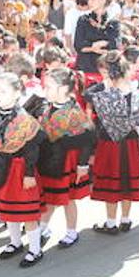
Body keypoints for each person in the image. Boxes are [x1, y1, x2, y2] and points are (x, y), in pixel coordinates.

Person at [0, 72, 47, 267]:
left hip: (20, 169)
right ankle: (15, 242)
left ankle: (35, 249)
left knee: (27, 213)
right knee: (8, 209)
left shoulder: (24, 119)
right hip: (2, 168)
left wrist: (28, 174)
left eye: (3, 91)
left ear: (17, 92)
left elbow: (32, 148)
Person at [87, 51, 139, 233]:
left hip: (109, 143)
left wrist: (105, 84)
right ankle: (125, 219)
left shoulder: (103, 95)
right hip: (130, 143)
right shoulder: (136, 93)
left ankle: (111, 223)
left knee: (112, 182)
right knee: (127, 181)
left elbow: (87, 95)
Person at [37, 66, 96, 249]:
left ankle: (71, 231)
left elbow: (88, 138)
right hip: (51, 159)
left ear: (63, 89)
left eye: (48, 87)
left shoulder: (74, 111)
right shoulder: (49, 107)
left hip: (66, 160)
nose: (44, 90)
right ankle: (43, 228)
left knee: (68, 199)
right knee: (50, 197)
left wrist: (82, 164)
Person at [72, 0, 119, 82]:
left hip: (105, 71)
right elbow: (78, 45)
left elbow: (115, 45)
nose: (89, 2)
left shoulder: (113, 22)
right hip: (85, 69)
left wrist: (97, 45)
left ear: (103, 0)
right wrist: (94, 47)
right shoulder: (83, 20)